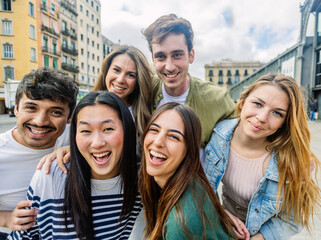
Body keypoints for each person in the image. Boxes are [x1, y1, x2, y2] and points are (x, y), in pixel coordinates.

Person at [203, 73, 321, 240]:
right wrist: (219, 211)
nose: (261, 118)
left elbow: (293, 219)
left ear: (285, 121)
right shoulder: (218, 133)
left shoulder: (290, 160)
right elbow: (201, 185)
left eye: (277, 113)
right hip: (222, 224)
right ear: (242, 101)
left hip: (262, 233)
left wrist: (259, 238)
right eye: (257, 104)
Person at [8, 91, 142, 239]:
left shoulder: (142, 179)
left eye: (108, 129)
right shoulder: (52, 174)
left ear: (127, 130)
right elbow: (25, 235)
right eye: (85, 131)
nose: (97, 143)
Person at [38, 45, 153, 173]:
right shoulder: (84, 109)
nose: (120, 80)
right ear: (106, 71)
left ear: (138, 81)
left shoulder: (145, 116)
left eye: (130, 75)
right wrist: (70, 149)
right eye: (116, 70)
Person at [139, 102, 243, 239]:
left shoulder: (180, 224)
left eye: (174, 137)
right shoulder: (192, 183)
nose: (158, 142)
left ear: (189, 150)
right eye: (154, 130)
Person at [143, 14, 235, 160]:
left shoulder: (217, 98)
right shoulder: (144, 90)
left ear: (191, 55)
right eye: (160, 56)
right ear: (153, 59)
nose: (169, 67)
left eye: (177, 55)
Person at [0, 68, 78, 238]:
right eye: (31, 108)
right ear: (16, 109)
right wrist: (7, 219)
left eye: (55, 112)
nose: (40, 121)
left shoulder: (78, 136)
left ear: (69, 117)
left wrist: (77, 149)